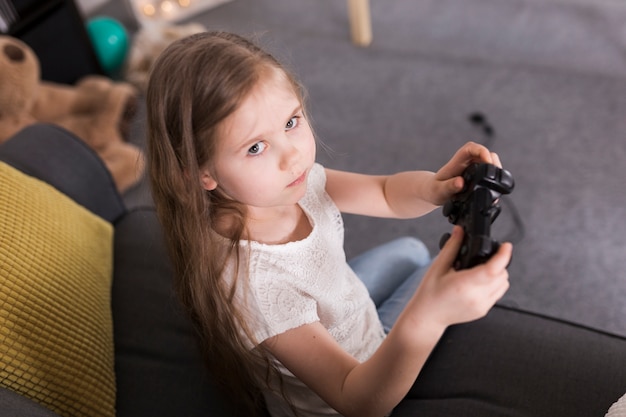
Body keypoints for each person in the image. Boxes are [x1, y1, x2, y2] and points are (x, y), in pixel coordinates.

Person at [145, 31, 512, 417]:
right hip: (358, 381)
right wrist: (428, 317)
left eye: (291, 122)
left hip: (346, 310)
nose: (292, 156)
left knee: (412, 251)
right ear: (202, 173)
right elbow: (358, 401)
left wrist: (438, 186)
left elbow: (386, 193)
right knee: (432, 276)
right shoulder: (254, 286)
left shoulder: (289, 185)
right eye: (255, 147)